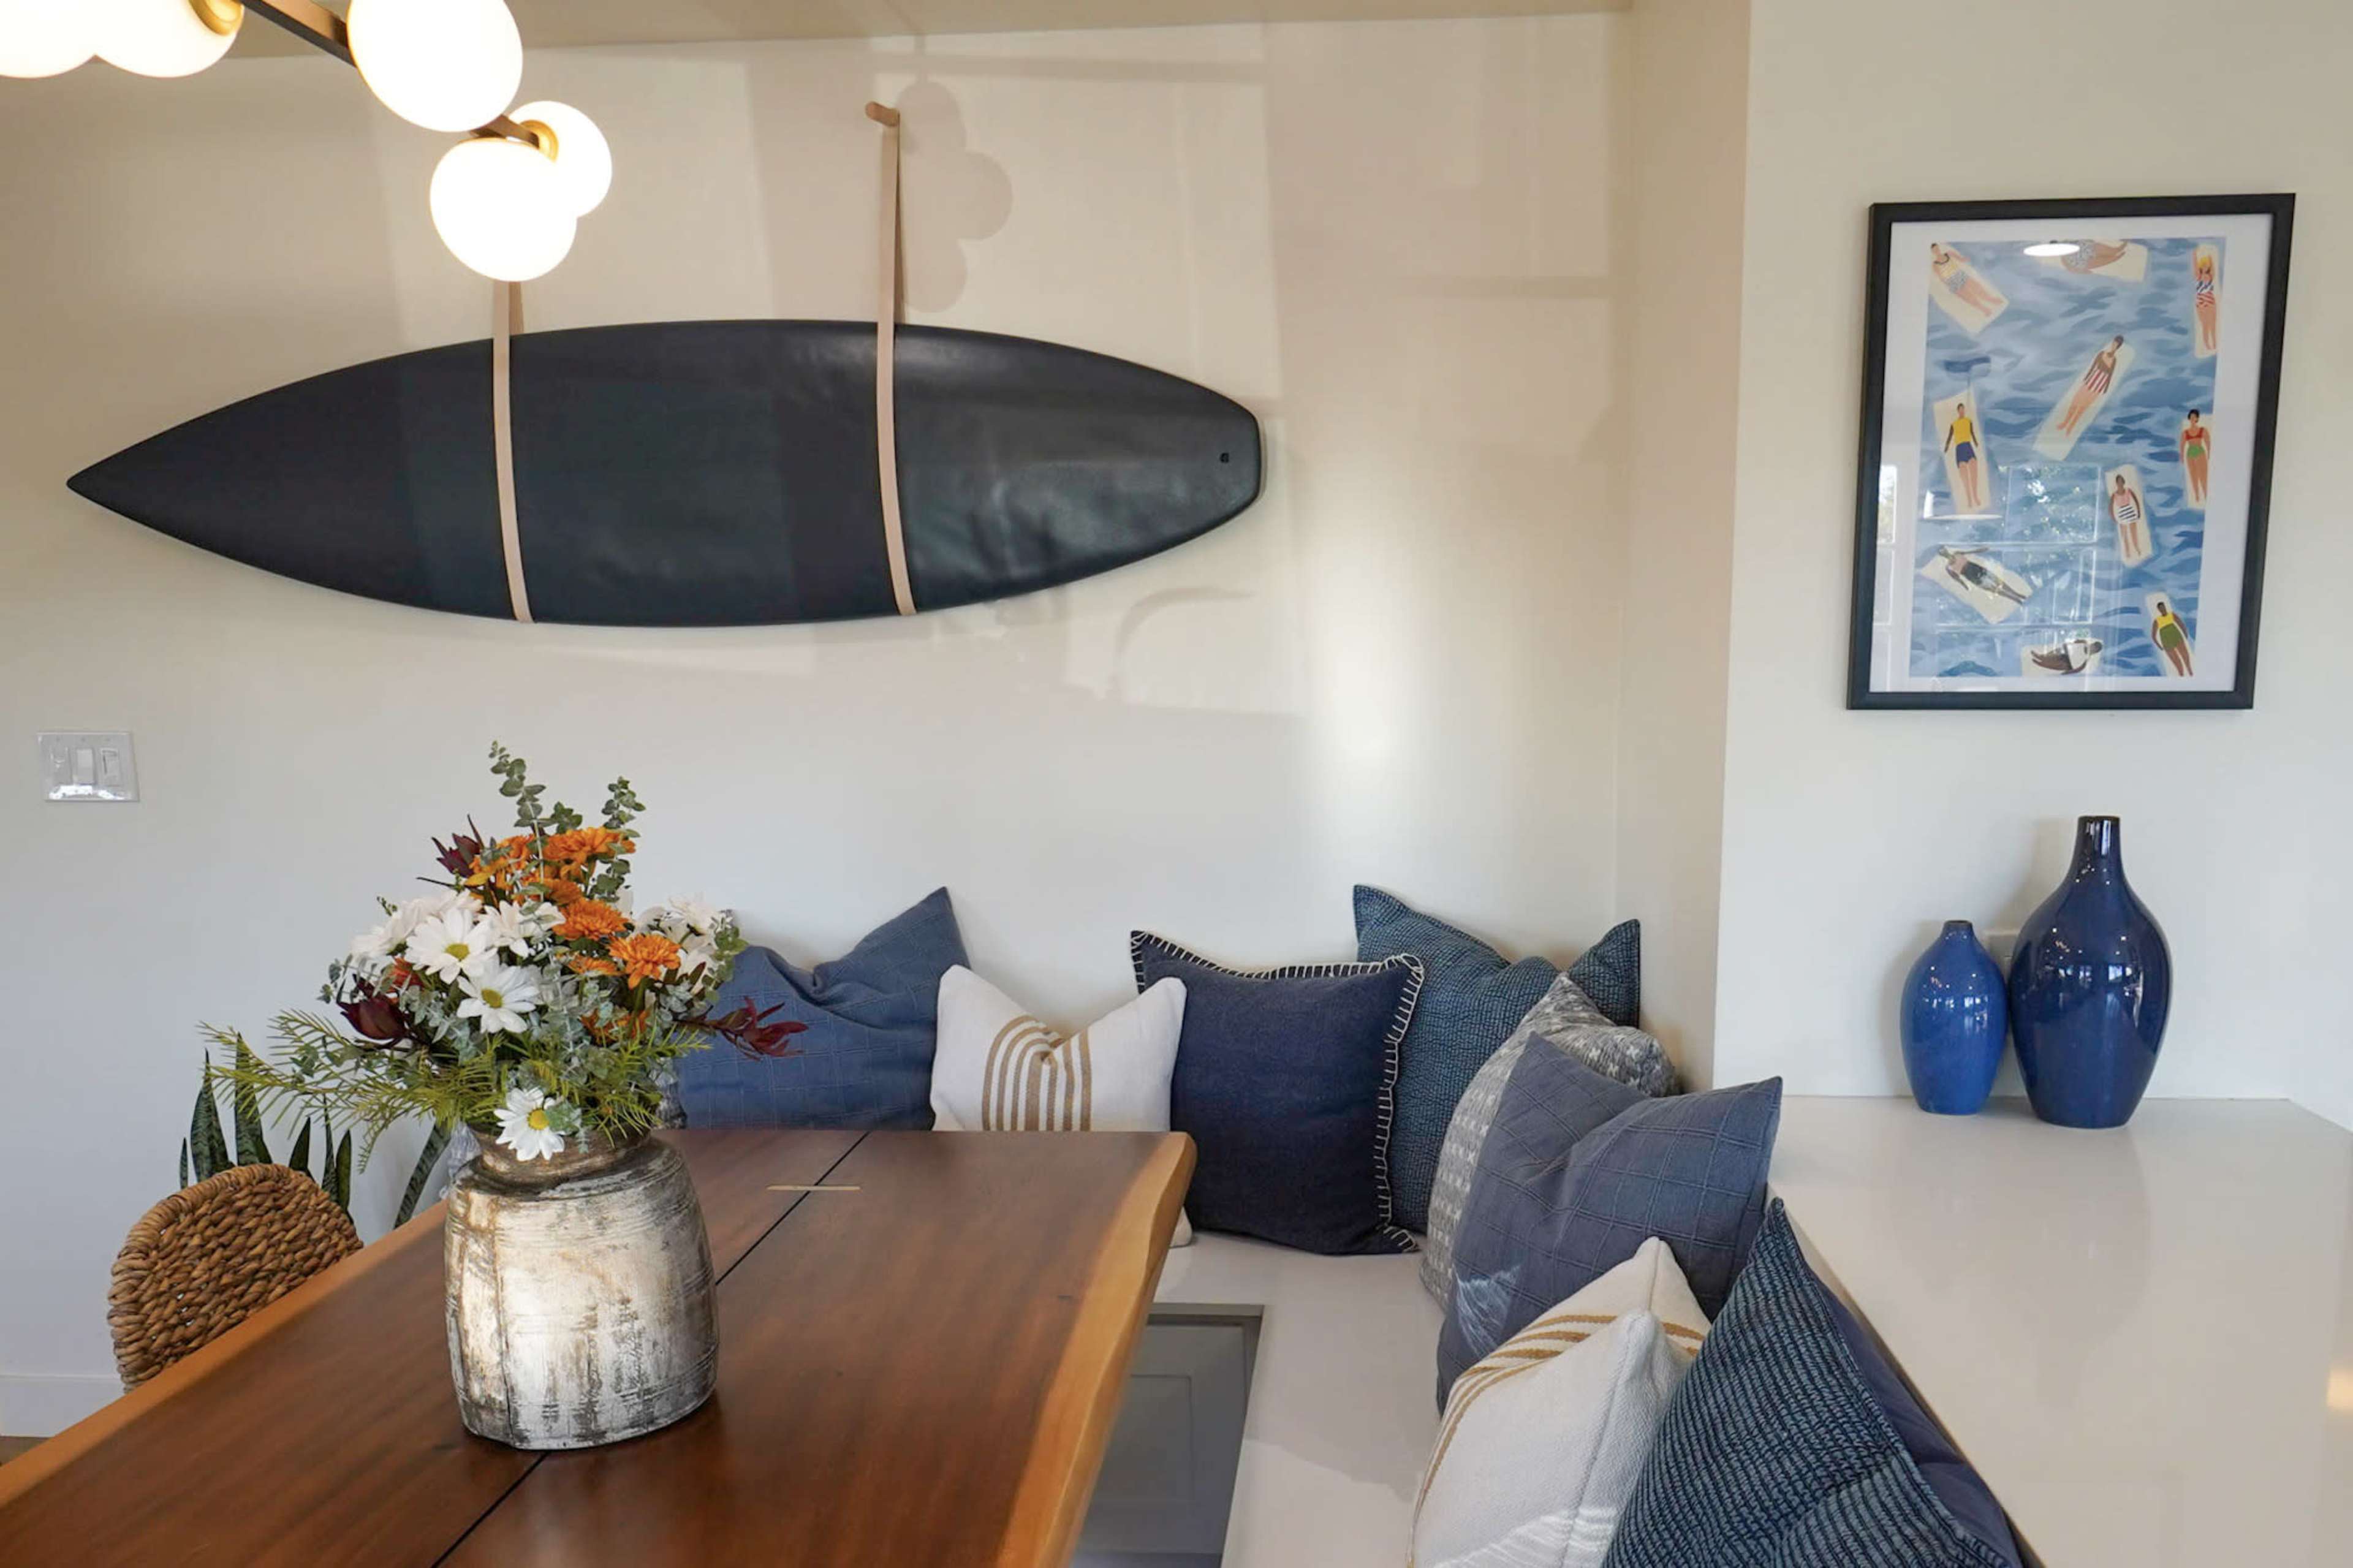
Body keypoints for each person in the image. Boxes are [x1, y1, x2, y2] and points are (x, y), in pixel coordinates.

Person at [2056, 336, 2124, 436]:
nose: (2114, 345)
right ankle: (2065, 423)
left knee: (2082, 408)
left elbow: (2110, 375)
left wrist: (2105, 389)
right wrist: (2085, 380)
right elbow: (2093, 367)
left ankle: (2071, 427)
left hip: (2099, 386)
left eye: (2116, 344)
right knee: (2075, 402)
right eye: (2114, 343)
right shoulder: (2102, 354)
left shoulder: (2114, 360)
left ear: (2118, 347)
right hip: (2090, 382)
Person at [1931, 244, 2004, 318]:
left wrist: (1971, 257)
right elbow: (1941, 278)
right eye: (1934, 250)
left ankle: (1993, 300)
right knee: (1968, 298)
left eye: (1937, 248)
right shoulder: (1935, 265)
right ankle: (1985, 310)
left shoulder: (1949, 254)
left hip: (1960, 275)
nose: (1937, 251)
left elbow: (1962, 259)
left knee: (1977, 289)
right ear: (1933, 252)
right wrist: (1948, 286)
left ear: (1939, 248)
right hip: (1951, 281)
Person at [1944, 401, 1987, 510]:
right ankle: (1969, 499)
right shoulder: (1954, 424)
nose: (1962, 411)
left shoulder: (1969, 421)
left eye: (1964, 409)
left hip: (1968, 446)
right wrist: (1946, 447)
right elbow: (1949, 437)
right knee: (1965, 476)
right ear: (1958, 411)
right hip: (1959, 448)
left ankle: (1975, 496)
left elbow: (1972, 433)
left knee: (1974, 470)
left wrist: (1976, 443)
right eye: (1961, 409)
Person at [2107, 471, 2148, 559]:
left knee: (2134, 534)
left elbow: (2136, 501)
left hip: (2130, 513)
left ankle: (2137, 549)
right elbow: (2110, 507)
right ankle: (2127, 552)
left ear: (2123, 482)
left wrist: (2139, 512)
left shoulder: (2129, 491)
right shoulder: (2114, 495)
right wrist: (2113, 517)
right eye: (2118, 482)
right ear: (2116, 483)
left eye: (2121, 481)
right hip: (2122, 515)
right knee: (2124, 535)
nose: (2120, 484)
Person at [2150, 596, 2193, 676]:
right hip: (2167, 642)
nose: (2162, 609)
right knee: (2177, 663)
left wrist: (2185, 632)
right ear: (2158, 610)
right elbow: (2153, 635)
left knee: (2185, 655)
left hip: (2177, 638)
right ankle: (2181, 676)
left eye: (2163, 607)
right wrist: (2159, 646)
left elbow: (2181, 624)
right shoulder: (2157, 620)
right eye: (2160, 608)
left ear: (2165, 607)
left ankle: (2190, 673)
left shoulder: (2172, 615)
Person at [2179, 409, 2211, 505]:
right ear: (2189, 418)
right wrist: (2181, 457)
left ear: (2197, 418)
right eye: (2191, 417)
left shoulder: (2203, 430)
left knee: (2203, 475)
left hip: (2200, 452)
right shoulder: (2185, 433)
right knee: (2193, 476)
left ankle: (2206, 494)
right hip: (2190, 453)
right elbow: (2182, 445)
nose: (2193, 419)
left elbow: (2208, 442)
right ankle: (2197, 495)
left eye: (2195, 417)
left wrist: (2209, 453)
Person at [2192, 249, 2219, 354]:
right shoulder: (2198, 276)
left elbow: (2213, 269)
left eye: (2206, 265)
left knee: (2213, 324)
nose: (2205, 267)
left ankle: (2215, 343)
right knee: (2205, 325)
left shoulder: (2210, 276)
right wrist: (2194, 255)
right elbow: (2195, 266)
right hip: (2201, 303)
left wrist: (2211, 258)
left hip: (2211, 301)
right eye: (2203, 265)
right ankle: (2207, 344)